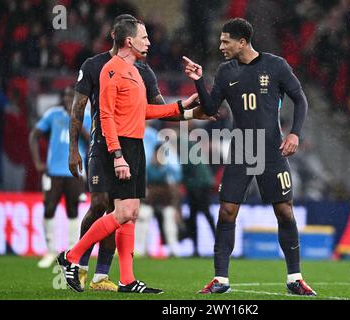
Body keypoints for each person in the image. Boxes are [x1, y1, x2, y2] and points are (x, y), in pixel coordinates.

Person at [67, 14, 212, 291]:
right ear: (127, 38)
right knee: (102, 205)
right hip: (106, 145)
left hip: (132, 145)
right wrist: (75, 148)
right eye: (144, 37)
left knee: (124, 211)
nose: (149, 42)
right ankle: (76, 261)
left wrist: (187, 110)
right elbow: (85, 109)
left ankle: (107, 277)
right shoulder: (99, 66)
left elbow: (149, 110)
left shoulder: (141, 71)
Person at [183, 18, 316, 296]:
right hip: (242, 147)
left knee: (284, 210)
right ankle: (220, 279)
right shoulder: (224, 71)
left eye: (225, 41)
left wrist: (294, 134)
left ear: (242, 42)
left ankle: (295, 278)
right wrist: (198, 82)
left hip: (272, 149)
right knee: (227, 211)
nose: (221, 46)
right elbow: (210, 108)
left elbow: (300, 98)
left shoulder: (276, 65)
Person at [29, 86, 90, 268]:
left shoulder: (86, 116)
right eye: (65, 96)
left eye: (71, 97)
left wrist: (77, 122)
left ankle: (71, 252)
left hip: (75, 172)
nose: (67, 100)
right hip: (53, 171)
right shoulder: (53, 114)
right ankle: (50, 250)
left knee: (73, 209)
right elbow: (34, 135)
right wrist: (38, 162)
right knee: (49, 207)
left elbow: (90, 141)